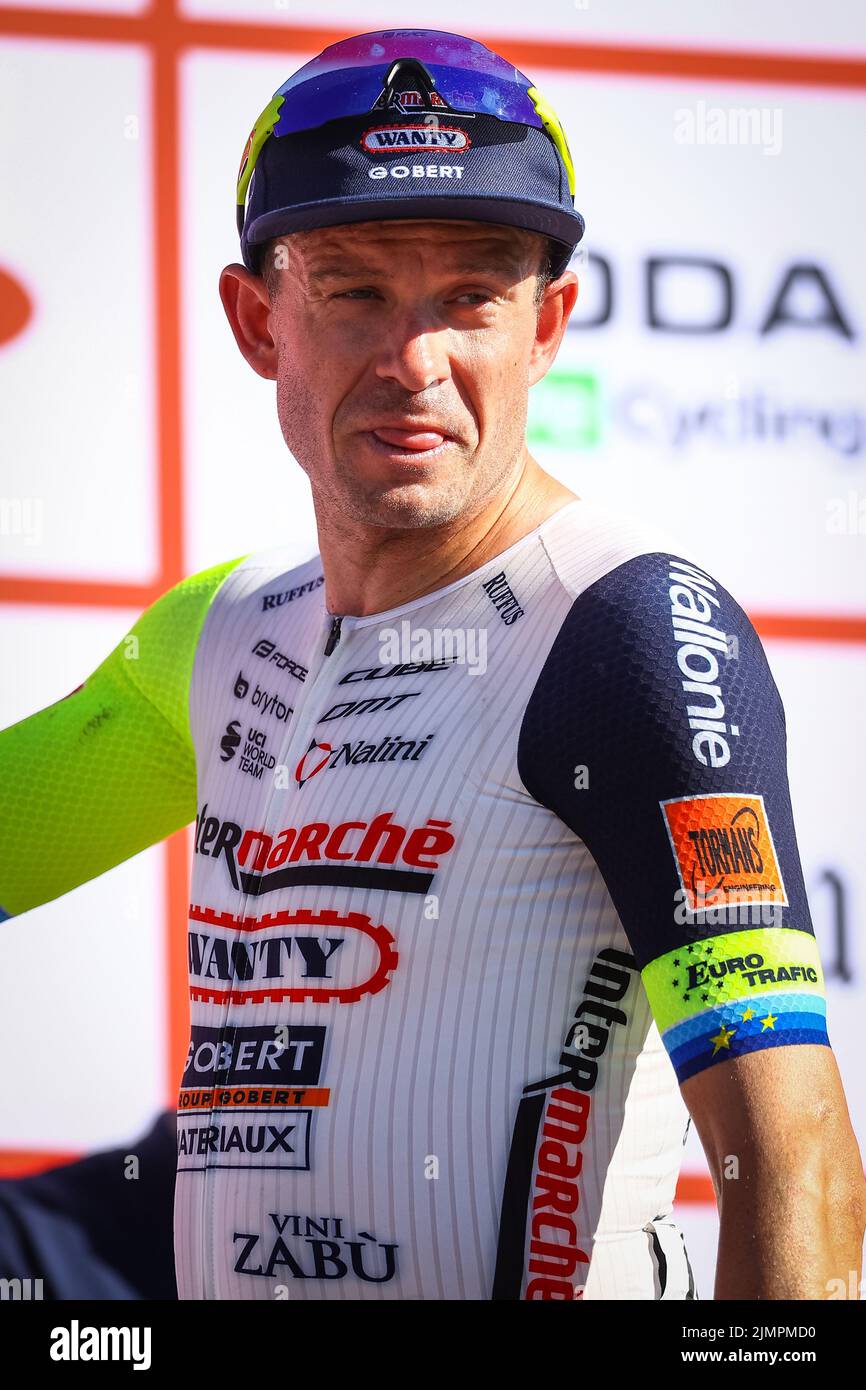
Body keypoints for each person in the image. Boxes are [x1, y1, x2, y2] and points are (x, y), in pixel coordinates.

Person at [1, 28, 864, 1301]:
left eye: (472, 296)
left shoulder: (623, 632)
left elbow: (793, 1169)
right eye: (352, 291)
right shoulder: (220, 632)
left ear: (546, 324)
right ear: (257, 322)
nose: (417, 362)